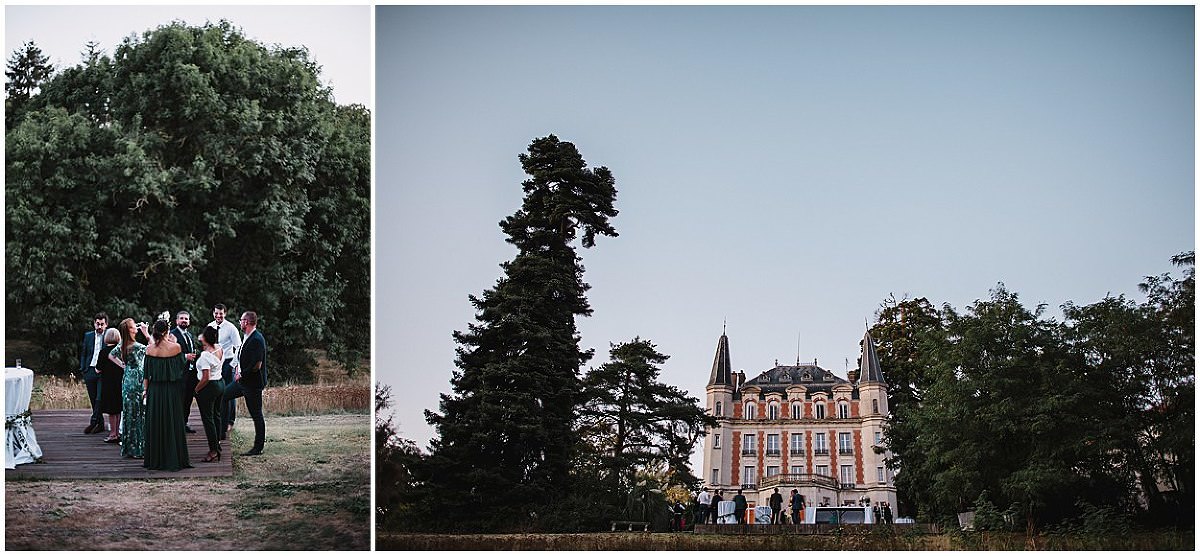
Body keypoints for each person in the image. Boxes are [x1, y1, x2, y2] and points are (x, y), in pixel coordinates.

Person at [142, 319, 191, 471]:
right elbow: (180, 368)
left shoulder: (149, 349)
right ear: (166, 331)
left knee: (156, 424)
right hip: (172, 390)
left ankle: (155, 460)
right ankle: (173, 458)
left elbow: (146, 375)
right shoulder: (176, 347)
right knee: (172, 422)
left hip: (155, 391)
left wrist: (145, 391)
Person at [223, 311, 266, 456]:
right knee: (223, 395)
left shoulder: (257, 339)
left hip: (252, 383)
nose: (239, 322)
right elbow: (241, 356)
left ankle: (258, 448)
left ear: (246, 322)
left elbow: (257, 365)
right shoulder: (247, 336)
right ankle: (223, 429)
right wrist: (236, 370)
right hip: (242, 381)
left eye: (241, 320)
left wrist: (241, 374)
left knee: (256, 414)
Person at [110, 318, 147, 458]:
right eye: (134, 326)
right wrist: (146, 332)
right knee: (139, 414)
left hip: (127, 380)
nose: (136, 328)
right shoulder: (136, 346)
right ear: (129, 330)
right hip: (137, 381)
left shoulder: (123, 345)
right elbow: (153, 348)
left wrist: (123, 365)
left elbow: (111, 355)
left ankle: (129, 447)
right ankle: (139, 448)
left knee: (129, 414)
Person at [209, 304, 241, 439]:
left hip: (228, 362)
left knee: (228, 392)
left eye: (221, 313)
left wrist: (234, 364)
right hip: (215, 363)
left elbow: (238, 347)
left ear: (225, 314)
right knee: (217, 391)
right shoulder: (210, 326)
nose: (218, 316)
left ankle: (229, 421)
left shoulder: (231, 328)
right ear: (213, 313)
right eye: (216, 313)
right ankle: (218, 419)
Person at [195, 325, 225, 462]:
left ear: (206, 338)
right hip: (220, 383)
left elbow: (205, 377)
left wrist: (196, 389)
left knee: (208, 419)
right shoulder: (219, 347)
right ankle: (217, 442)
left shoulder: (205, 355)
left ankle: (213, 450)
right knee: (216, 415)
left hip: (209, 386)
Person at [79, 312, 109, 434]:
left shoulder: (109, 336)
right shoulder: (88, 335)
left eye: (102, 324)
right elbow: (84, 352)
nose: (100, 326)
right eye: (97, 324)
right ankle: (100, 424)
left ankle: (93, 421)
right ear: (94, 324)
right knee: (93, 398)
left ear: (106, 325)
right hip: (90, 369)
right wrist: (83, 369)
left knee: (99, 398)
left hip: (103, 371)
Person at [171, 310, 199, 435]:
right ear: (176, 321)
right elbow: (170, 354)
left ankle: (184, 423)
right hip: (179, 373)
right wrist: (185, 356)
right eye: (181, 318)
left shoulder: (190, 335)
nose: (184, 320)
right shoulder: (172, 335)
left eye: (186, 319)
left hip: (191, 373)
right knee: (179, 400)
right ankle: (177, 425)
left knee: (188, 399)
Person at [95, 328, 123, 443]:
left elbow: (98, 369)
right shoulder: (121, 351)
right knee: (118, 408)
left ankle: (113, 434)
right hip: (120, 382)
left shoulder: (104, 352)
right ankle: (118, 432)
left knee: (111, 410)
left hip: (108, 383)